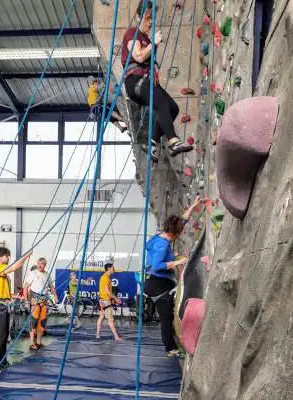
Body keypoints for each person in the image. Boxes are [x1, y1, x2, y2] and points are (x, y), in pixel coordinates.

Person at [121, 0, 193, 161]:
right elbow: (138, 55)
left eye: (152, 18)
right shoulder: (132, 33)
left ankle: (151, 140)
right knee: (161, 103)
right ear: (138, 17)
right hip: (135, 82)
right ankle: (173, 141)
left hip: (147, 81)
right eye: (147, 17)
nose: (151, 21)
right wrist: (153, 42)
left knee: (173, 108)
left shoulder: (147, 38)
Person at [144, 196, 201, 356]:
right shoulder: (162, 245)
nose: (181, 233)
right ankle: (171, 349)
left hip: (159, 282)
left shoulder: (162, 235)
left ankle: (173, 342)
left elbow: (181, 222)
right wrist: (177, 262)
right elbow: (157, 266)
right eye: (180, 232)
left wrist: (193, 207)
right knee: (167, 318)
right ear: (174, 233)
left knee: (171, 313)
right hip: (158, 284)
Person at [0, 247, 32, 371]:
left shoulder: (2, 272)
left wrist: (15, 296)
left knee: (5, 335)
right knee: (0, 335)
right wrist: (26, 256)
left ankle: (2, 361)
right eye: (7, 256)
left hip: (4, 304)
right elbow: (14, 267)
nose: (8, 258)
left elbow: (2, 291)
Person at [24, 257, 58, 350]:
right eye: (38, 263)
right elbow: (26, 286)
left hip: (44, 302)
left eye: (42, 264)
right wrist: (26, 299)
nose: (39, 265)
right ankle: (31, 343)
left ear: (45, 265)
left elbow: (51, 287)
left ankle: (38, 342)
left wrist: (55, 296)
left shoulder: (47, 274)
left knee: (42, 323)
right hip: (35, 301)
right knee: (33, 322)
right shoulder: (33, 273)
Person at [96, 263, 122, 341]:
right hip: (106, 301)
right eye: (113, 267)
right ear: (109, 268)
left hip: (101, 300)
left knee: (101, 317)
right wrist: (116, 298)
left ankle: (97, 334)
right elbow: (108, 292)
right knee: (110, 319)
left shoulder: (103, 277)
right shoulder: (106, 278)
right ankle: (116, 336)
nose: (114, 269)